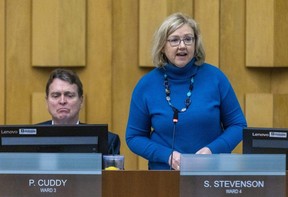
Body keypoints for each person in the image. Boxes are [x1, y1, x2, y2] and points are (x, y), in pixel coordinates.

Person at [126, 13, 247, 170]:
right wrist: (167, 156)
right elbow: (134, 137)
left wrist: (212, 151)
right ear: (162, 46)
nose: (182, 46)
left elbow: (238, 125)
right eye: (174, 40)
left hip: (212, 172)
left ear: (195, 44)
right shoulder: (146, 85)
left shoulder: (215, 78)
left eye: (188, 39)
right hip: (163, 176)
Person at [39, 68, 120, 155]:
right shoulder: (30, 138)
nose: (62, 101)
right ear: (47, 101)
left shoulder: (108, 141)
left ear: (81, 101)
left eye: (69, 95)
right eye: (56, 96)